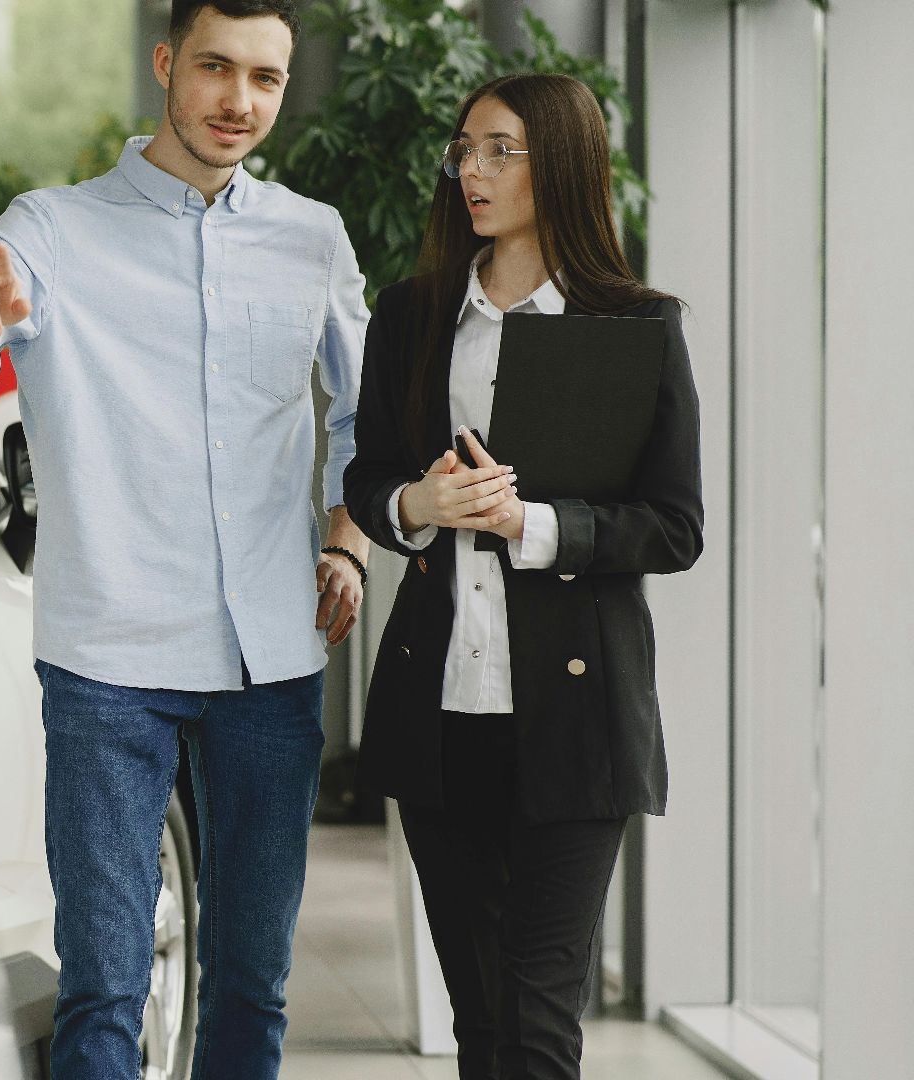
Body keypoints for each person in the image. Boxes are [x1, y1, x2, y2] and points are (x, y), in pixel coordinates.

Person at [0, 2, 371, 1075]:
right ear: (166, 63)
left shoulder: (312, 237)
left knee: (251, 984)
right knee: (106, 985)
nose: (238, 101)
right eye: (215, 68)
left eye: (264, 78)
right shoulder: (53, 227)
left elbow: (367, 414)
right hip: (109, 656)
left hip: (271, 653)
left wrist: (347, 541)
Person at [343, 73, 703, 1080]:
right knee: (482, 1020)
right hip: (439, 709)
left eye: (501, 150)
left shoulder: (635, 324)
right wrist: (421, 502)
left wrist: (529, 524)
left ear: (565, 162)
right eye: (465, 149)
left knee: (540, 1021)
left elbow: (675, 526)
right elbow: (368, 479)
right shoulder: (411, 315)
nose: (473, 169)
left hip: (578, 716)